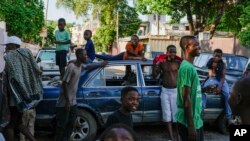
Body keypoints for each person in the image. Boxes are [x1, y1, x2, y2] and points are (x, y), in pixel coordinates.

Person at [55, 48, 107, 141]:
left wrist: (100, 64)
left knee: (71, 123)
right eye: (85, 55)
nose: (86, 56)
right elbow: (64, 83)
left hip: (73, 101)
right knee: (61, 125)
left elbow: (88, 67)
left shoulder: (80, 65)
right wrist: (67, 101)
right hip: (64, 102)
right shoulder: (71, 67)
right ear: (79, 56)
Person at [3, 36, 42, 141]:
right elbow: (37, 70)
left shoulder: (10, 57)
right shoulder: (27, 54)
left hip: (14, 97)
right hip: (25, 96)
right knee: (18, 123)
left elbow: (13, 75)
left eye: (7, 45)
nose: (5, 48)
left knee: (9, 125)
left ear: (13, 45)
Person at [176, 35, 203, 141]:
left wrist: (204, 89)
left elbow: (191, 92)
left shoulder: (190, 67)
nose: (199, 47)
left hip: (196, 120)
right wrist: (191, 126)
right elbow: (186, 98)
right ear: (187, 47)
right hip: (188, 122)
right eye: (196, 45)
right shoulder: (187, 68)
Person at [156, 45, 182, 141]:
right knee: (167, 115)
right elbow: (155, 75)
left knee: (176, 116)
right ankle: (171, 138)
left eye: (174, 52)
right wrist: (157, 64)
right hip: (165, 91)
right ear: (166, 52)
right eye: (171, 52)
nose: (173, 54)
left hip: (175, 91)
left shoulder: (178, 63)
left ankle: (178, 137)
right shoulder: (162, 63)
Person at [202, 49, 233, 124]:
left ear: (221, 57)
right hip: (212, 79)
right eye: (216, 55)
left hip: (220, 80)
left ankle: (228, 115)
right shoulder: (210, 62)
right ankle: (202, 109)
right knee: (204, 90)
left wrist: (219, 86)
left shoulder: (223, 64)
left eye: (219, 56)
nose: (217, 57)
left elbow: (223, 77)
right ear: (213, 55)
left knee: (227, 94)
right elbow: (209, 74)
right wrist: (205, 82)